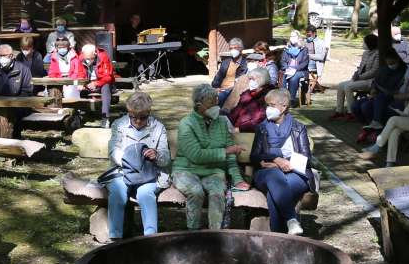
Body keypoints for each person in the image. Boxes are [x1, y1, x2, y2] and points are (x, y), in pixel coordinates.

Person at [174, 85, 248, 230]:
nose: (216, 106)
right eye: (211, 103)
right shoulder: (186, 123)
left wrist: (238, 179)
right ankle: (193, 231)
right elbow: (196, 156)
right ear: (199, 105)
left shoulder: (222, 122)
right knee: (196, 191)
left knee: (217, 192)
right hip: (186, 170)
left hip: (214, 172)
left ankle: (215, 234)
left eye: (216, 101)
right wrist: (225, 151)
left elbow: (231, 156)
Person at [105, 91, 172, 240]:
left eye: (142, 117)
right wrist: (131, 161)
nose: (137, 121)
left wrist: (157, 155)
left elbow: (166, 158)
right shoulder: (119, 125)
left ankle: (151, 238)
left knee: (145, 194)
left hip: (150, 174)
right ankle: (115, 238)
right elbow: (113, 151)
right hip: (124, 171)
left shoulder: (158, 128)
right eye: (133, 117)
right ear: (128, 112)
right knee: (117, 191)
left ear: (149, 112)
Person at [251, 89, 317, 235]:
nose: (268, 108)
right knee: (274, 177)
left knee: (274, 193)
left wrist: (281, 164)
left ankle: (276, 236)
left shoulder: (298, 128)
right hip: (266, 173)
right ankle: (291, 220)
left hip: (295, 172)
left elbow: (306, 159)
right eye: (267, 105)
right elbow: (254, 156)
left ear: (284, 107)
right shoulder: (262, 128)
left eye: (272, 105)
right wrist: (275, 159)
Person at [353, 48, 407, 140]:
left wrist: (383, 91)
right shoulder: (383, 69)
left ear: (397, 59)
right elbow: (375, 82)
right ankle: (370, 126)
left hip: (389, 97)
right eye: (388, 63)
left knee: (366, 106)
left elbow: (397, 89)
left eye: (392, 63)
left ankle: (376, 125)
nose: (390, 65)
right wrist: (373, 89)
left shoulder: (403, 71)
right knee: (355, 106)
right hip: (377, 95)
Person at [330, 34, 379, 120]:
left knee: (348, 87)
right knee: (341, 85)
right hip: (359, 78)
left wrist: (360, 77)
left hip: (370, 81)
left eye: (364, 42)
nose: (363, 44)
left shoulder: (378, 54)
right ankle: (339, 111)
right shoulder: (365, 53)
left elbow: (374, 71)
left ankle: (352, 112)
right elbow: (361, 67)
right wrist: (356, 74)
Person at [76, 41, 115, 119]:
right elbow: (80, 73)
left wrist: (96, 83)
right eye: (86, 58)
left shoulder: (103, 57)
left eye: (90, 58)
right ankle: (85, 114)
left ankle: (105, 116)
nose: (88, 60)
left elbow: (108, 77)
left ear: (95, 54)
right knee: (81, 90)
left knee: (106, 87)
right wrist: (80, 83)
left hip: (102, 83)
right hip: (89, 82)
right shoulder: (81, 58)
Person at [213, 37, 249, 106]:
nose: (233, 50)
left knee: (220, 97)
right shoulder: (225, 62)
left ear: (241, 49)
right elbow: (218, 77)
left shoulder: (246, 63)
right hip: (221, 89)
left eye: (235, 48)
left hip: (233, 90)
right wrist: (216, 88)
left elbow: (241, 82)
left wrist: (229, 89)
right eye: (231, 48)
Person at [279, 31, 311, 105]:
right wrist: (287, 68)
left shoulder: (304, 49)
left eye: (294, 36)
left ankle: (291, 100)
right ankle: (283, 98)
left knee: (294, 77)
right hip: (288, 69)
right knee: (282, 75)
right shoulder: (286, 49)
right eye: (291, 36)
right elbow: (282, 61)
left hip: (301, 71)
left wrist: (295, 69)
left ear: (298, 38)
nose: (292, 38)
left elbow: (305, 63)